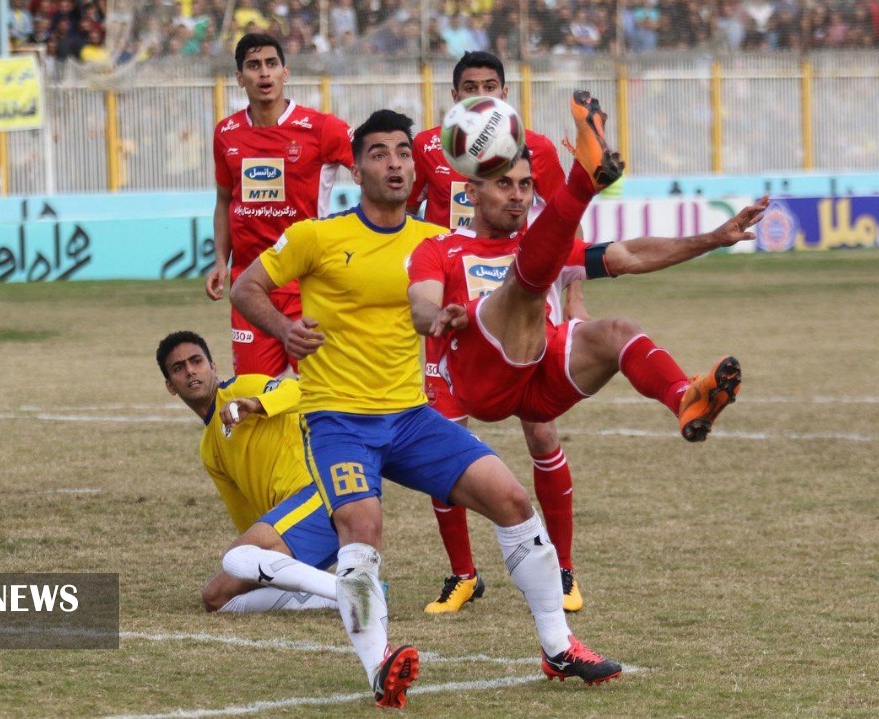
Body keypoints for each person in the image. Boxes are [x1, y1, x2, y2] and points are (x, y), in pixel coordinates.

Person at [232, 106, 622, 710]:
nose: (395, 163)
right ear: (356, 167)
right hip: (339, 420)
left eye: (403, 152)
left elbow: (482, 296)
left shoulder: (437, 243)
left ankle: (558, 646)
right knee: (362, 531)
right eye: (380, 153)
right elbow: (245, 287)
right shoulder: (317, 236)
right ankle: (378, 666)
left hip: (412, 417)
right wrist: (284, 330)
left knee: (513, 500)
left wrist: (465, 317)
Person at [408, 92, 769, 448]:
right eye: (504, 184)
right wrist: (438, 316)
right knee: (522, 289)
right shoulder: (440, 248)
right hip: (482, 382)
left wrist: (713, 238)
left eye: (526, 185)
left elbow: (629, 254)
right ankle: (582, 181)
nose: (518, 195)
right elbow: (421, 305)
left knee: (618, 329)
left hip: (539, 383)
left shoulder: (541, 249)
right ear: (471, 193)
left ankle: (685, 400)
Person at [408, 49, 587, 615]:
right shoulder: (431, 149)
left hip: (522, 312)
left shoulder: (536, 151)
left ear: (505, 93)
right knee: (443, 446)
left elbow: (564, 233)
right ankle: (463, 575)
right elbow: (409, 217)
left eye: (489, 84)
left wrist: (574, 307)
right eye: (468, 85)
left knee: (542, 437)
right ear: (454, 93)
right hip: (453, 317)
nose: (478, 92)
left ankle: (562, 569)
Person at [156, 330, 340, 614]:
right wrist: (258, 566)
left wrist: (256, 405)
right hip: (292, 528)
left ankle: (353, 590)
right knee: (216, 597)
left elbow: (302, 391)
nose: (191, 371)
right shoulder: (209, 449)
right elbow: (247, 520)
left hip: (323, 497)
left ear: (213, 367)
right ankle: (335, 593)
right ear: (171, 386)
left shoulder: (244, 387)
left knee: (236, 558)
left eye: (196, 361)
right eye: (179, 368)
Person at [206, 32, 353, 377]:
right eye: (254, 66)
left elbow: (370, 168)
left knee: (318, 398)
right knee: (253, 395)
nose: (264, 74)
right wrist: (219, 260)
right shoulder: (226, 133)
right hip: (250, 287)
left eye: (272, 64)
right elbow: (225, 200)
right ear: (240, 78)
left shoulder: (322, 128)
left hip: (306, 283)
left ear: (285, 72)